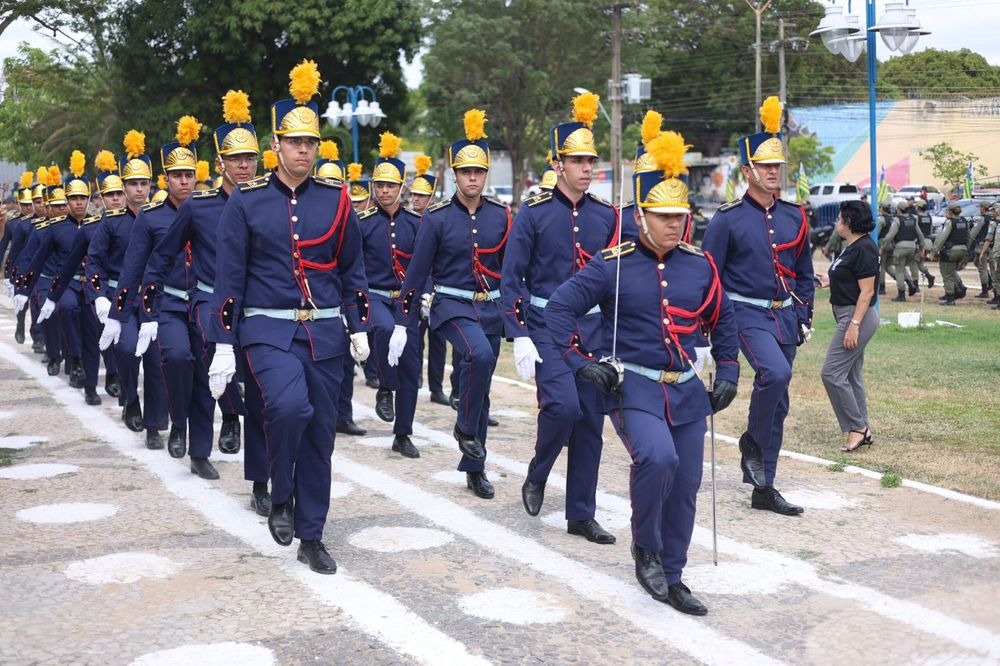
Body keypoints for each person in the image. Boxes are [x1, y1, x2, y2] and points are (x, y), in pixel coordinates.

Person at [545, 130, 738, 613]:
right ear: (640, 217)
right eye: (665, 217)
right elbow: (559, 308)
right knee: (658, 460)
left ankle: (673, 574)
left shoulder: (701, 266)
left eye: (681, 216)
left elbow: (724, 318)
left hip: (687, 391)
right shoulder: (613, 265)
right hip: (634, 386)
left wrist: (730, 369)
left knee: (689, 481)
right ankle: (645, 549)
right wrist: (580, 362)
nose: (676, 225)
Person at [207, 60, 370, 574]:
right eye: (293, 142)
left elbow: (352, 270)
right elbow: (229, 276)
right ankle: (280, 494)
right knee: (288, 409)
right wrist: (223, 342)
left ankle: (313, 534)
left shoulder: (337, 199)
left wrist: (359, 324)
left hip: (323, 331)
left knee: (321, 432)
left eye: (311, 143)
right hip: (266, 329)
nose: (304, 150)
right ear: (275, 145)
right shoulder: (248, 203)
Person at [139, 91, 270, 510]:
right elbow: (161, 256)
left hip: (262, 309)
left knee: (265, 395)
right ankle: (202, 435)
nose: (244, 165)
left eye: (250, 158)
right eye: (236, 160)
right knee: (198, 360)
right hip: (207, 304)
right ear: (220, 165)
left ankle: (260, 482)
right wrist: (147, 308)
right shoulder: (199, 208)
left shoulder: (274, 206)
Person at [501, 92, 619, 543]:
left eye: (591, 160)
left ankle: (580, 514)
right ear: (557, 163)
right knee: (563, 406)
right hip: (546, 326)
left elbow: (615, 279)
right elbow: (512, 279)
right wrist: (519, 333)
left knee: (590, 421)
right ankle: (539, 469)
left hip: (591, 329)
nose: (587, 168)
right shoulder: (532, 214)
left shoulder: (607, 217)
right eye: (577, 160)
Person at [387, 108, 509, 500]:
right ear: (454, 175)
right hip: (450, 307)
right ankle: (465, 429)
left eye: (479, 172)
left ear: (485, 174)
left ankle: (475, 468)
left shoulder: (502, 216)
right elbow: (417, 272)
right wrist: (403, 324)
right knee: (479, 354)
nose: (472, 178)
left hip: (489, 307)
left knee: (483, 384)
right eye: (465, 172)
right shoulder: (437, 219)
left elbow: (511, 269)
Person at [701, 96, 814, 516]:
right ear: (747, 171)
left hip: (785, 314)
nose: (772, 172)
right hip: (742, 312)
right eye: (764, 166)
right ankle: (750, 441)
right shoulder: (727, 219)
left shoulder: (795, 216)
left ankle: (764, 485)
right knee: (776, 372)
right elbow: (708, 275)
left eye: (777, 166)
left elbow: (804, 271)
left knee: (779, 399)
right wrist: (707, 326)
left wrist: (804, 315)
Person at [92, 131, 169, 449]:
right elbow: (94, 263)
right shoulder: (110, 223)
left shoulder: (162, 218)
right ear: (122, 187)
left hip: (154, 299)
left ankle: (153, 425)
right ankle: (129, 398)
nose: (139, 189)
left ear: (150, 185)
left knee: (154, 358)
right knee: (124, 350)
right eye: (133, 183)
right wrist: (98, 296)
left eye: (144, 183)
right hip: (120, 299)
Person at [361, 131, 423, 458]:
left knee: (411, 367)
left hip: (408, 301)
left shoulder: (417, 224)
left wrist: (424, 297)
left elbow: (426, 265)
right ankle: (385, 385)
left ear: (402, 188)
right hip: (375, 296)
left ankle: (403, 433)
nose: (384, 191)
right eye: (379, 185)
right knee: (384, 330)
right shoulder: (364, 223)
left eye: (390, 186)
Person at [820, 200, 878, 453]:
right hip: (847, 314)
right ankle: (862, 426)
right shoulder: (852, 247)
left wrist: (854, 324)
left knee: (831, 373)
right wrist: (828, 280)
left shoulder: (864, 248)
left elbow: (867, 292)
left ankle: (857, 428)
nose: (837, 223)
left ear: (849, 222)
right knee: (851, 375)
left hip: (856, 317)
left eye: (840, 219)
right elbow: (849, 278)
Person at [410, 154, 452, 407]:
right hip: (416, 290)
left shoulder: (441, 221)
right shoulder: (408, 222)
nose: (415, 199)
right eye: (414, 194)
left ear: (432, 198)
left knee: (438, 342)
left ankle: (437, 387)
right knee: (415, 340)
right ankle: (414, 379)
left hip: (438, 289)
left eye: (421, 196)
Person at [879, 199, 925, 301]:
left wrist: (882, 247)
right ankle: (911, 284)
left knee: (899, 270)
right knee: (902, 268)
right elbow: (920, 234)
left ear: (899, 210)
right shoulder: (913, 219)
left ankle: (901, 294)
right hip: (912, 247)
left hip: (900, 247)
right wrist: (922, 247)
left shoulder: (897, 220)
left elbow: (890, 236)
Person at [932, 203, 970, 306]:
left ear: (950, 212)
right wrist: (966, 250)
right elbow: (968, 237)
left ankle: (950, 298)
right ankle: (960, 287)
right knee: (951, 270)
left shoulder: (950, 222)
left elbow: (942, 238)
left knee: (947, 274)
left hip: (951, 250)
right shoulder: (964, 221)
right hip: (962, 249)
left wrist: (934, 251)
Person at [970, 202, 994, 299]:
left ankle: (985, 290)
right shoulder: (993, 219)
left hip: (982, 245)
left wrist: (968, 241)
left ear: (984, 208)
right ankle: (989, 281)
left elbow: (974, 232)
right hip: (991, 245)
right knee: (977, 263)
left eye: (980, 207)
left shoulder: (983, 219)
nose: (979, 209)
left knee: (982, 267)